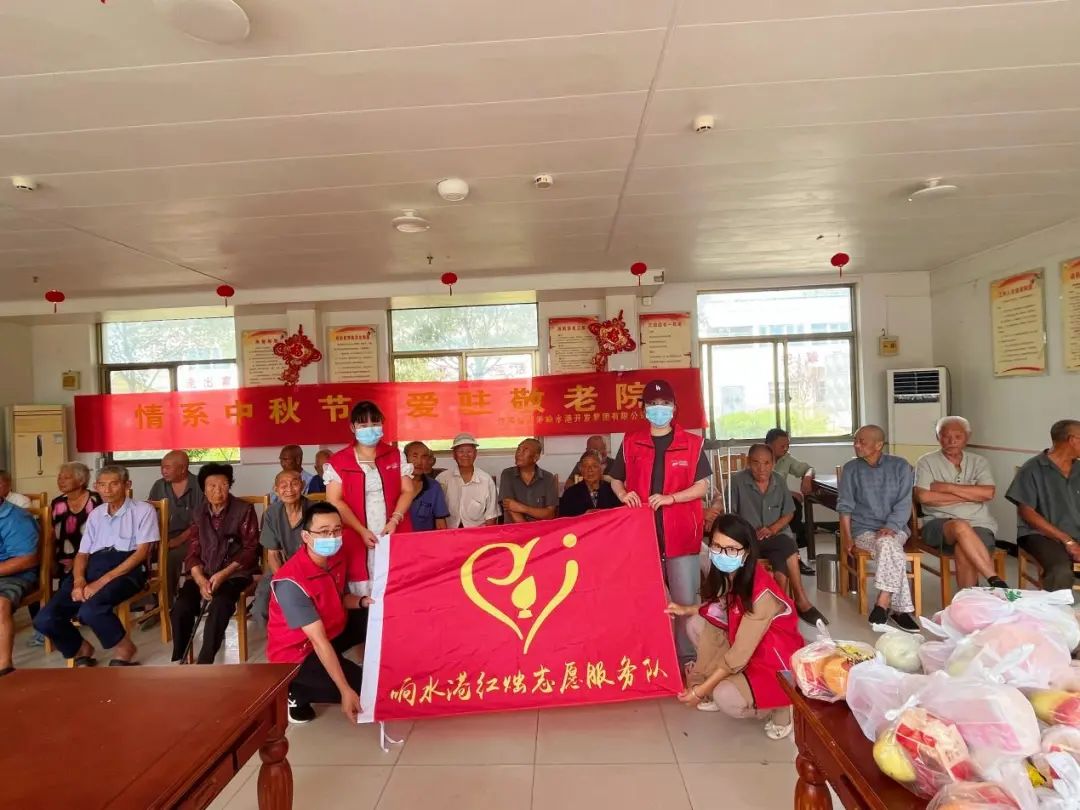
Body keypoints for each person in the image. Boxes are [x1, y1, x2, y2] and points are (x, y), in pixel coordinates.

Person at [666, 514, 803, 740]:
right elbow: (721, 606)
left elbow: (739, 654)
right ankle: (727, 684)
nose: (722, 554)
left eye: (731, 549)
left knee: (725, 697)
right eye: (717, 546)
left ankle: (780, 705)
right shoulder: (732, 574)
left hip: (771, 660)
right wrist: (687, 609)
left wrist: (701, 690)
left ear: (747, 552)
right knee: (696, 624)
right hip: (746, 645)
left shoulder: (761, 594)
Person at [609, 378, 711, 669]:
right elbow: (615, 478)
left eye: (664, 403)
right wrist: (623, 494)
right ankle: (651, 657)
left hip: (681, 534)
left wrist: (671, 498)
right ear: (643, 408)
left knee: (684, 599)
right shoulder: (631, 441)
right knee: (645, 599)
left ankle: (687, 658)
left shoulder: (692, 443)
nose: (658, 409)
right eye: (652, 404)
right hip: (642, 536)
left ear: (674, 407)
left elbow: (702, 486)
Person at [34, 465, 157, 666]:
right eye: (102, 485)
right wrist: (79, 581)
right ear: (96, 486)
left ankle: (125, 648)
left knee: (90, 610)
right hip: (93, 567)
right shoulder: (96, 514)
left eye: (114, 484)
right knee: (45, 618)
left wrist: (100, 583)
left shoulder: (144, 510)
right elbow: (82, 553)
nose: (107, 490)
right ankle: (80, 648)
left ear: (127, 484)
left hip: (127, 570)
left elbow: (141, 553)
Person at [267, 502, 371, 724]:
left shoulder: (335, 558)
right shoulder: (291, 582)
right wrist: (345, 689)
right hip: (298, 654)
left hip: (331, 629)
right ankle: (295, 689)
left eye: (336, 530)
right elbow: (318, 640)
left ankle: (338, 670)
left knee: (374, 617)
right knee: (365, 688)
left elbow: (339, 597)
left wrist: (363, 602)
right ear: (306, 536)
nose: (331, 537)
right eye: (323, 532)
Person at [726, 444, 828, 626]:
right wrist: (748, 533)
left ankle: (781, 603)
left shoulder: (779, 481)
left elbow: (789, 512)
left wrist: (772, 529)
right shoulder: (737, 481)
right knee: (786, 548)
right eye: (756, 463)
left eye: (766, 463)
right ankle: (799, 601)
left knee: (784, 546)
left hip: (775, 538)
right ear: (748, 462)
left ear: (773, 463)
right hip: (748, 541)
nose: (761, 468)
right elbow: (729, 517)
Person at [170, 463, 260, 664]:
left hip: (235, 574)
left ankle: (205, 660)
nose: (218, 490)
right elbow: (193, 550)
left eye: (223, 485)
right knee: (181, 606)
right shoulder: (198, 512)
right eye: (212, 486)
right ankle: (180, 657)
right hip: (204, 572)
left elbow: (250, 549)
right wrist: (200, 579)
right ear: (203, 489)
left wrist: (223, 574)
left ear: (230, 486)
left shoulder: (244, 509)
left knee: (220, 605)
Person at [325, 401, 415, 597]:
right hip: (356, 532)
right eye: (363, 425)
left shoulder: (395, 455)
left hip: (393, 528)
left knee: (396, 589)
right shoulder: (339, 461)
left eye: (375, 424)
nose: (370, 429)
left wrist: (395, 519)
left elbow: (408, 490)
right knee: (362, 591)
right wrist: (361, 530)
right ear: (352, 427)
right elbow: (334, 500)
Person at [837, 425, 919, 630]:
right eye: (855, 441)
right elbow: (845, 507)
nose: (856, 445)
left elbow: (904, 502)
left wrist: (891, 526)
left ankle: (883, 601)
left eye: (861, 442)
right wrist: (847, 538)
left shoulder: (900, 466)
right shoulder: (851, 469)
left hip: (896, 528)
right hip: (863, 530)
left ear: (879, 445)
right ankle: (898, 610)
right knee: (891, 547)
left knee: (888, 542)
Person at [915, 417, 1009, 590]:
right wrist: (972, 495)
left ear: (967, 436)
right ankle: (993, 578)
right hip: (939, 525)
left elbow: (988, 493)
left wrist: (947, 487)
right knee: (960, 525)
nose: (952, 441)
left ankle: (970, 600)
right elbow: (924, 497)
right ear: (937, 437)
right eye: (945, 436)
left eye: (957, 436)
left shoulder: (979, 461)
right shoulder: (926, 462)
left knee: (963, 550)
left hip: (980, 524)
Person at [27, 462, 103, 648]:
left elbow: (103, 537)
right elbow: (50, 537)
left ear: (81, 480)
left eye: (66, 477)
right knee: (34, 577)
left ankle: (62, 622)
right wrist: (50, 561)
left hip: (91, 556)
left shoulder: (96, 501)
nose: (61, 481)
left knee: (70, 580)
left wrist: (78, 560)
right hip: (62, 557)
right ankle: (43, 624)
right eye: (60, 477)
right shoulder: (57, 503)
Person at [1006, 419, 1080, 593]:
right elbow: (1027, 512)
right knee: (1060, 570)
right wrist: (1067, 541)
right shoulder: (1032, 469)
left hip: (1076, 531)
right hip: (1040, 535)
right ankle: (1055, 609)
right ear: (1072, 440)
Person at [253, 470, 311, 623]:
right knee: (260, 607)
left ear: (303, 485)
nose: (289, 489)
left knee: (305, 604)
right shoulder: (272, 513)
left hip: (309, 569)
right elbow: (272, 554)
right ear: (276, 489)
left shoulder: (315, 510)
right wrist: (283, 580)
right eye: (283, 485)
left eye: (294, 484)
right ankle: (273, 637)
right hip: (279, 569)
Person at [148, 450, 203, 607]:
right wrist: (154, 538)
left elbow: (202, 520)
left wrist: (179, 540)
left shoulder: (199, 485)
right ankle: (148, 601)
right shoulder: (159, 485)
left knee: (170, 556)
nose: (163, 471)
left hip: (193, 537)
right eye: (162, 467)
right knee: (137, 553)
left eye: (167, 467)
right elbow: (150, 514)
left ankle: (165, 605)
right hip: (163, 536)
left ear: (183, 468)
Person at [765, 428, 816, 576]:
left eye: (787, 445)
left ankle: (794, 555)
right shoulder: (759, 459)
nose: (786, 448)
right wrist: (788, 493)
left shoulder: (786, 459)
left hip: (780, 502)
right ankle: (790, 554)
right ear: (769, 445)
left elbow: (808, 468)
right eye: (782, 446)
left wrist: (807, 477)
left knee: (794, 506)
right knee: (792, 504)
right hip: (761, 503)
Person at [0, 496, 39, 676]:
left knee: (1, 604)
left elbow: (27, 560)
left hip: (14, 575)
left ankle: (4, 665)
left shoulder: (16, 518)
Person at [437, 433, 500, 529]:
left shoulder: (486, 480)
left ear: (475, 454)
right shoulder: (442, 479)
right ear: (454, 455)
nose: (465, 455)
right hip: (450, 531)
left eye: (469, 451)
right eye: (461, 451)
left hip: (477, 533)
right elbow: (437, 514)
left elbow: (491, 516)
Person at [500, 438, 559, 523]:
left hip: (541, 529)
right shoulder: (507, 474)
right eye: (518, 449)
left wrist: (522, 508)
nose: (519, 453)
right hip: (515, 529)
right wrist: (529, 530)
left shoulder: (548, 478)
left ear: (536, 457)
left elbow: (550, 514)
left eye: (525, 450)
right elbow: (510, 508)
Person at [559, 451, 621, 517]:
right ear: (580, 468)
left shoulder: (613, 491)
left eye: (594, 466)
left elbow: (620, 516)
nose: (590, 470)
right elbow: (564, 520)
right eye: (585, 466)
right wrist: (583, 516)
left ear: (602, 468)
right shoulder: (570, 494)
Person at [404, 441, 449, 531]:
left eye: (424, 457)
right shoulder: (393, 484)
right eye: (415, 456)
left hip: (425, 538)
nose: (419, 462)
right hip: (397, 538)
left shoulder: (434, 487)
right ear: (405, 459)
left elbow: (440, 523)